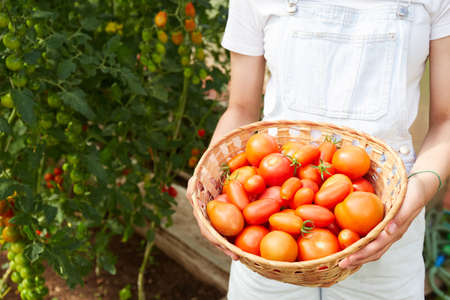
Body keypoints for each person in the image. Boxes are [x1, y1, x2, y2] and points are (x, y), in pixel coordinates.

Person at [187, 0, 450, 299]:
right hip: (269, 235)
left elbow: (446, 121)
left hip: (386, 223)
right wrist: (206, 177)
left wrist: (419, 191)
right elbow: (240, 108)